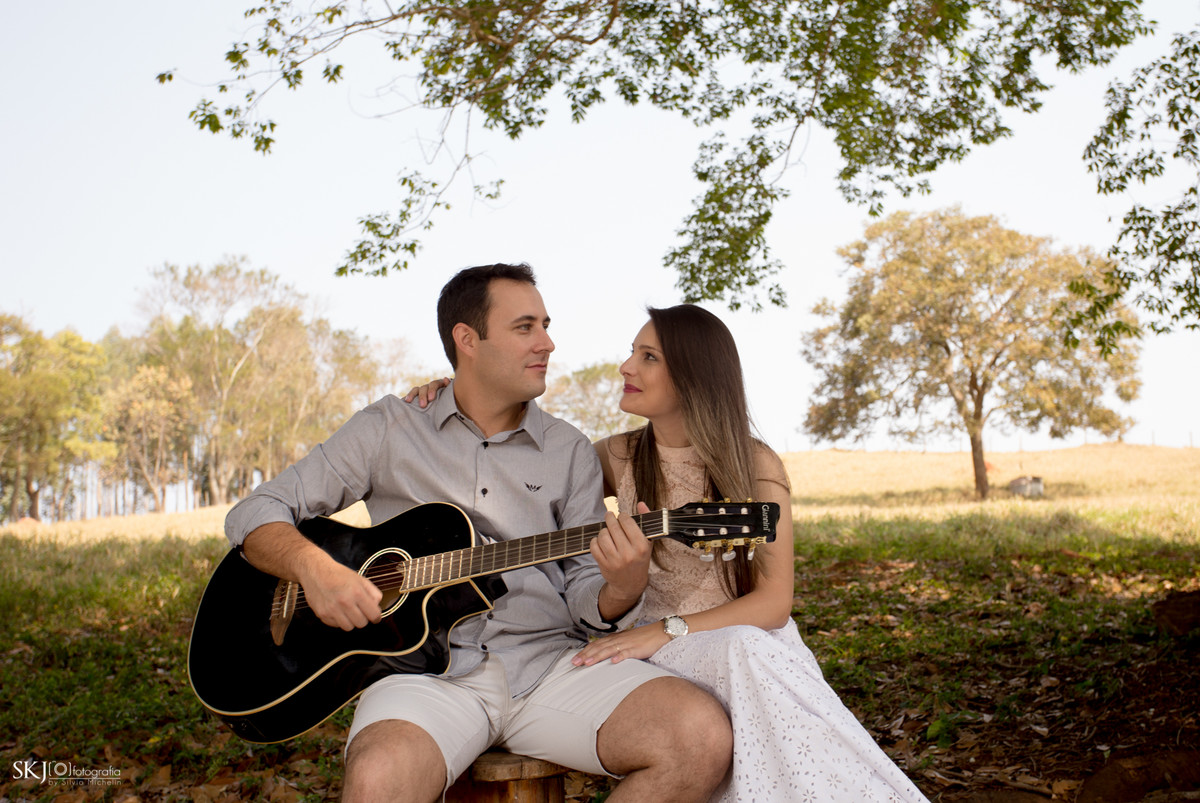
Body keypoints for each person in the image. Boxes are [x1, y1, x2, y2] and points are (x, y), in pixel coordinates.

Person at [224, 265, 733, 803]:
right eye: (525, 327)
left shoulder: (569, 450)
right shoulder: (389, 428)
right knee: (378, 779)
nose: (548, 343)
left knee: (697, 737)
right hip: (421, 677)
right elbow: (255, 512)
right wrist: (316, 569)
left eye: (546, 324)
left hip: (550, 666)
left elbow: (585, 588)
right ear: (467, 340)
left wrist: (623, 587)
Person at [409, 304, 928, 802]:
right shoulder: (614, 456)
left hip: (725, 643)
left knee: (747, 648)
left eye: (649, 357)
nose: (626, 366)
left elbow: (774, 604)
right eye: (633, 351)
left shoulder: (755, 465)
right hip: (645, 653)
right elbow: (517, 453)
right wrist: (457, 393)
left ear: (694, 376)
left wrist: (661, 631)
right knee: (744, 657)